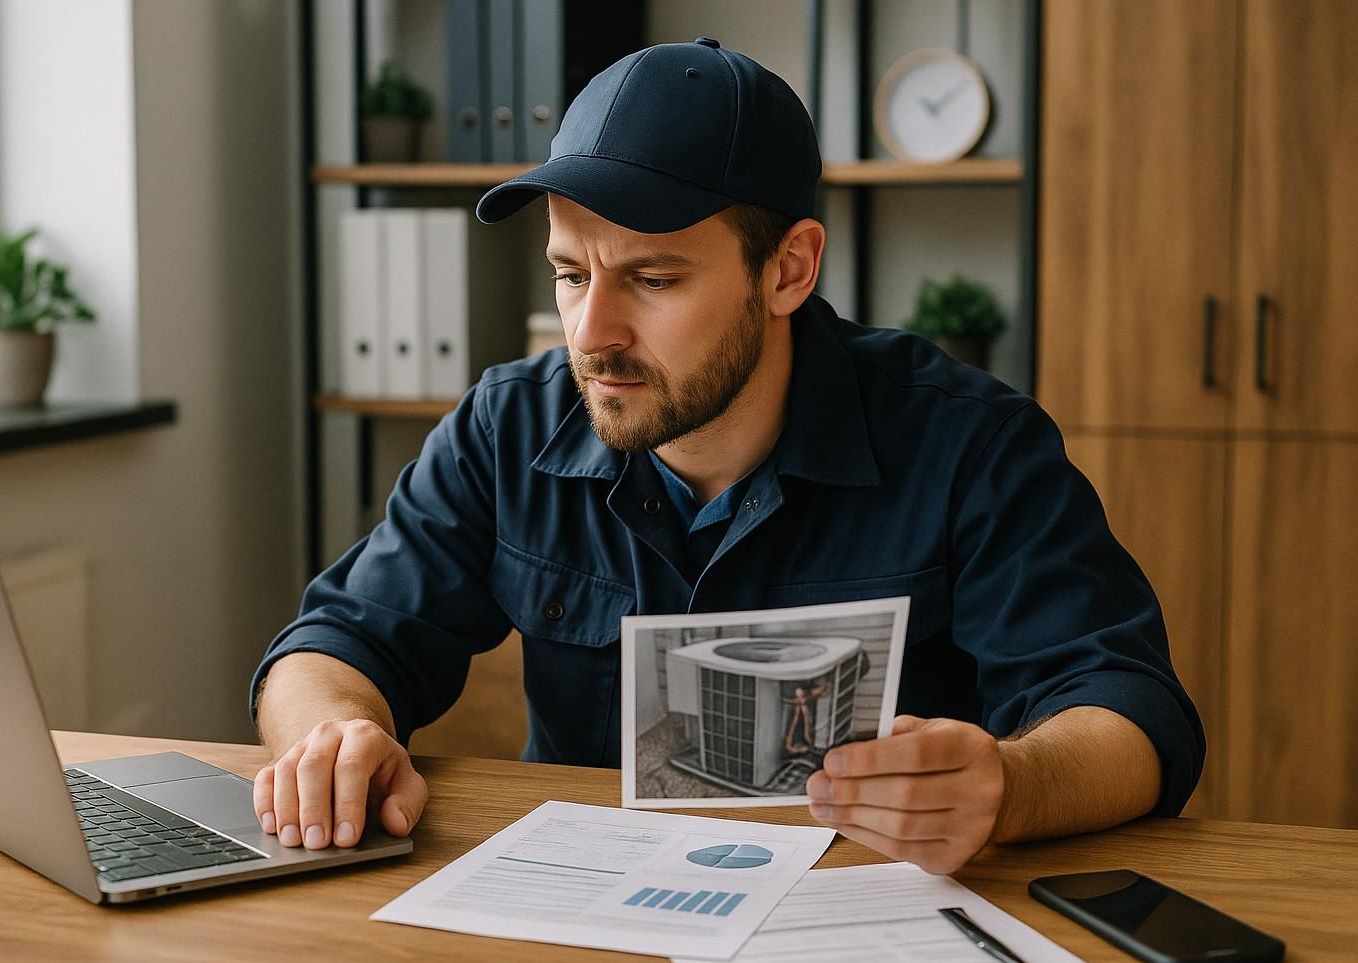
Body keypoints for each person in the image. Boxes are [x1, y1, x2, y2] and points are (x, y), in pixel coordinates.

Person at [250, 38, 1203, 875]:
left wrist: (1015, 786)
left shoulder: (971, 444)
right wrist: (335, 737)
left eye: (652, 280)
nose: (592, 332)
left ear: (788, 268)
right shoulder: (509, 425)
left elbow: (1131, 717)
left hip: (863, 926)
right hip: (587, 919)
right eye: (570, 274)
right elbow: (336, 642)